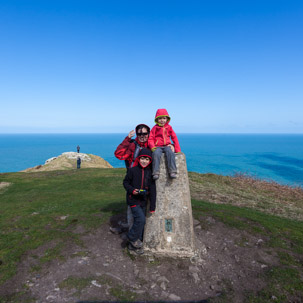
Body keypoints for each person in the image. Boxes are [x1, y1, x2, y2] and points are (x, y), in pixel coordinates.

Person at [123, 148, 156, 254]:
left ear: (150, 161)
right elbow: (125, 183)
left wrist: (152, 206)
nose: (144, 161)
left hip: (143, 200)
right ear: (138, 158)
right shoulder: (132, 170)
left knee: (142, 222)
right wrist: (132, 190)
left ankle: (137, 243)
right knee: (140, 219)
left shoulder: (150, 173)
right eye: (142, 158)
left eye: (147, 159)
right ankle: (131, 238)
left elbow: (152, 190)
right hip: (133, 200)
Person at [148, 108, 181, 180]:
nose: (162, 120)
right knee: (156, 154)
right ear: (156, 119)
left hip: (167, 146)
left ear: (167, 119)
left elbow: (174, 137)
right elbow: (150, 138)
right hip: (158, 146)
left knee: (170, 153)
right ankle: (155, 172)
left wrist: (177, 149)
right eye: (160, 118)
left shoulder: (169, 127)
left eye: (164, 118)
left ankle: (172, 171)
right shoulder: (155, 128)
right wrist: (152, 147)